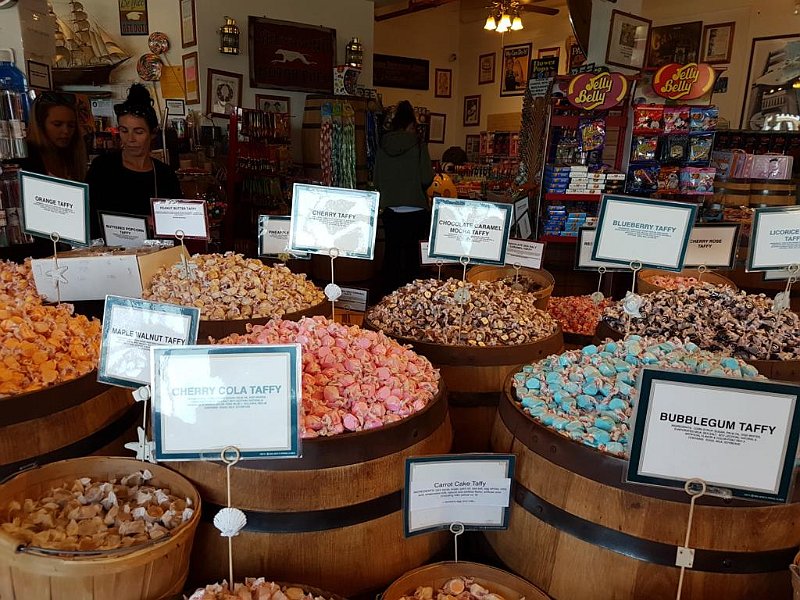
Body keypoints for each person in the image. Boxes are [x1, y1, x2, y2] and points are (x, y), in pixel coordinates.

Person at [87, 83, 181, 238]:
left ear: (153, 133)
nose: (130, 139)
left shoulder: (165, 175)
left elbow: (176, 224)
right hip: (109, 250)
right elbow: (90, 218)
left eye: (138, 132)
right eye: (124, 131)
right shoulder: (102, 168)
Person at [374, 100, 433, 294]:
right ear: (410, 123)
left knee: (391, 255)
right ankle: (411, 299)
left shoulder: (383, 145)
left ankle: (387, 298)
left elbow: (377, 180)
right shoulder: (419, 144)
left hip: (391, 210)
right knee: (412, 259)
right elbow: (426, 178)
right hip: (416, 209)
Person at [23, 92, 87, 181]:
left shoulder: (72, 155)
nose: (66, 131)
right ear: (40, 125)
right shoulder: (26, 158)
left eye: (71, 125)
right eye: (57, 124)